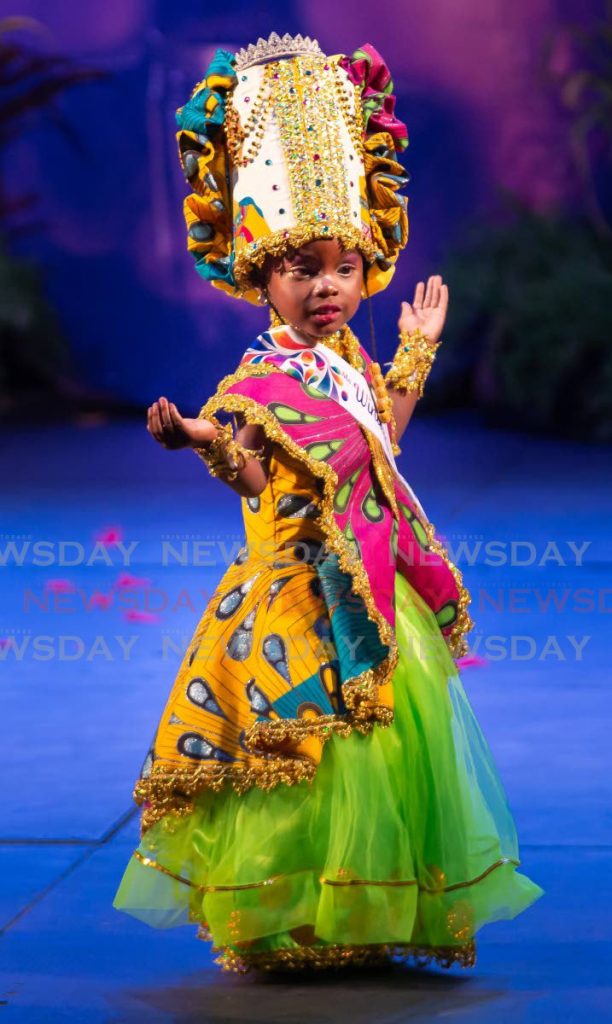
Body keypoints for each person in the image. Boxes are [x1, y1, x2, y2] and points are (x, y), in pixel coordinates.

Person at [112, 32, 544, 974]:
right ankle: (300, 917)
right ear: (260, 278)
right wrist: (203, 443)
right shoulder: (257, 381)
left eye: (343, 268)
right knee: (309, 764)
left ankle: (372, 911)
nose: (326, 288)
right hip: (304, 604)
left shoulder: (347, 361)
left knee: (383, 762)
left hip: (376, 586)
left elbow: (380, 445)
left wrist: (418, 351)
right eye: (301, 269)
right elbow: (260, 476)